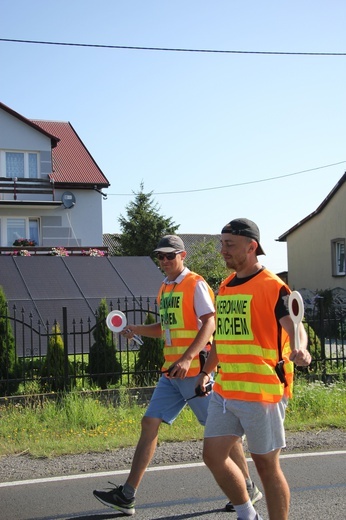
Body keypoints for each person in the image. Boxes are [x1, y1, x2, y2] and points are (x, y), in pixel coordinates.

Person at [93, 234, 261, 516]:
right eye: (161, 256)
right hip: (171, 374)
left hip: (195, 373)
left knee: (223, 434)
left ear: (183, 256)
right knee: (149, 423)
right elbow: (166, 328)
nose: (165, 260)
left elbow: (210, 323)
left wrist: (188, 358)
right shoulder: (165, 288)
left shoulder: (195, 284)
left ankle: (247, 487)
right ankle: (128, 494)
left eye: (171, 255)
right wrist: (136, 329)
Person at [197, 218, 312, 520]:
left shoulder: (274, 287)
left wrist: (302, 348)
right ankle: (247, 514)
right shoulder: (224, 287)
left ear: (252, 247)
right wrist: (207, 372)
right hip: (226, 391)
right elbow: (222, 338)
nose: (223, 251)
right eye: (222, 244)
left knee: (266, 467)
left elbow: (296, 328)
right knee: (213, 456)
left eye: (229, 245)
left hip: (263, 394)